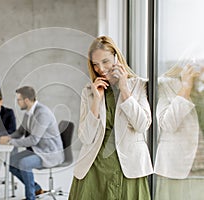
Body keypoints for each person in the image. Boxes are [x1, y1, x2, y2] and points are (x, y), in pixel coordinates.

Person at [68, 36, 153, 200]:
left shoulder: (138, 85)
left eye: (105, 61)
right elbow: (85, 137)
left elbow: (142, 125)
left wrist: (124, 89)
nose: (100, 68)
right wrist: (96, 101)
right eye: (95, 64)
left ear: (116, 57)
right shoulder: (88, 91)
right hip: (94, 166)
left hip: (128, 167)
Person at [0, 86, 64, 200]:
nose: (17, 102)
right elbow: (20, 132)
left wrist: (11, 142)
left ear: (26, 100)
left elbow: (34, 140)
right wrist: (8, 137)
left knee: (24, 164)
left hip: (49, 153)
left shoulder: (42, 113)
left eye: (18, 100)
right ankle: (36, 188)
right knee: (10, 163)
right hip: (37, 150)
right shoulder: (29, 112)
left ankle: (31, 197)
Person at [154, 64, 204, 200]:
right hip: (175, 168)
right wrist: (186, 87)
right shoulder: (166, 85)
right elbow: (168, 124)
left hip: (200, 168)